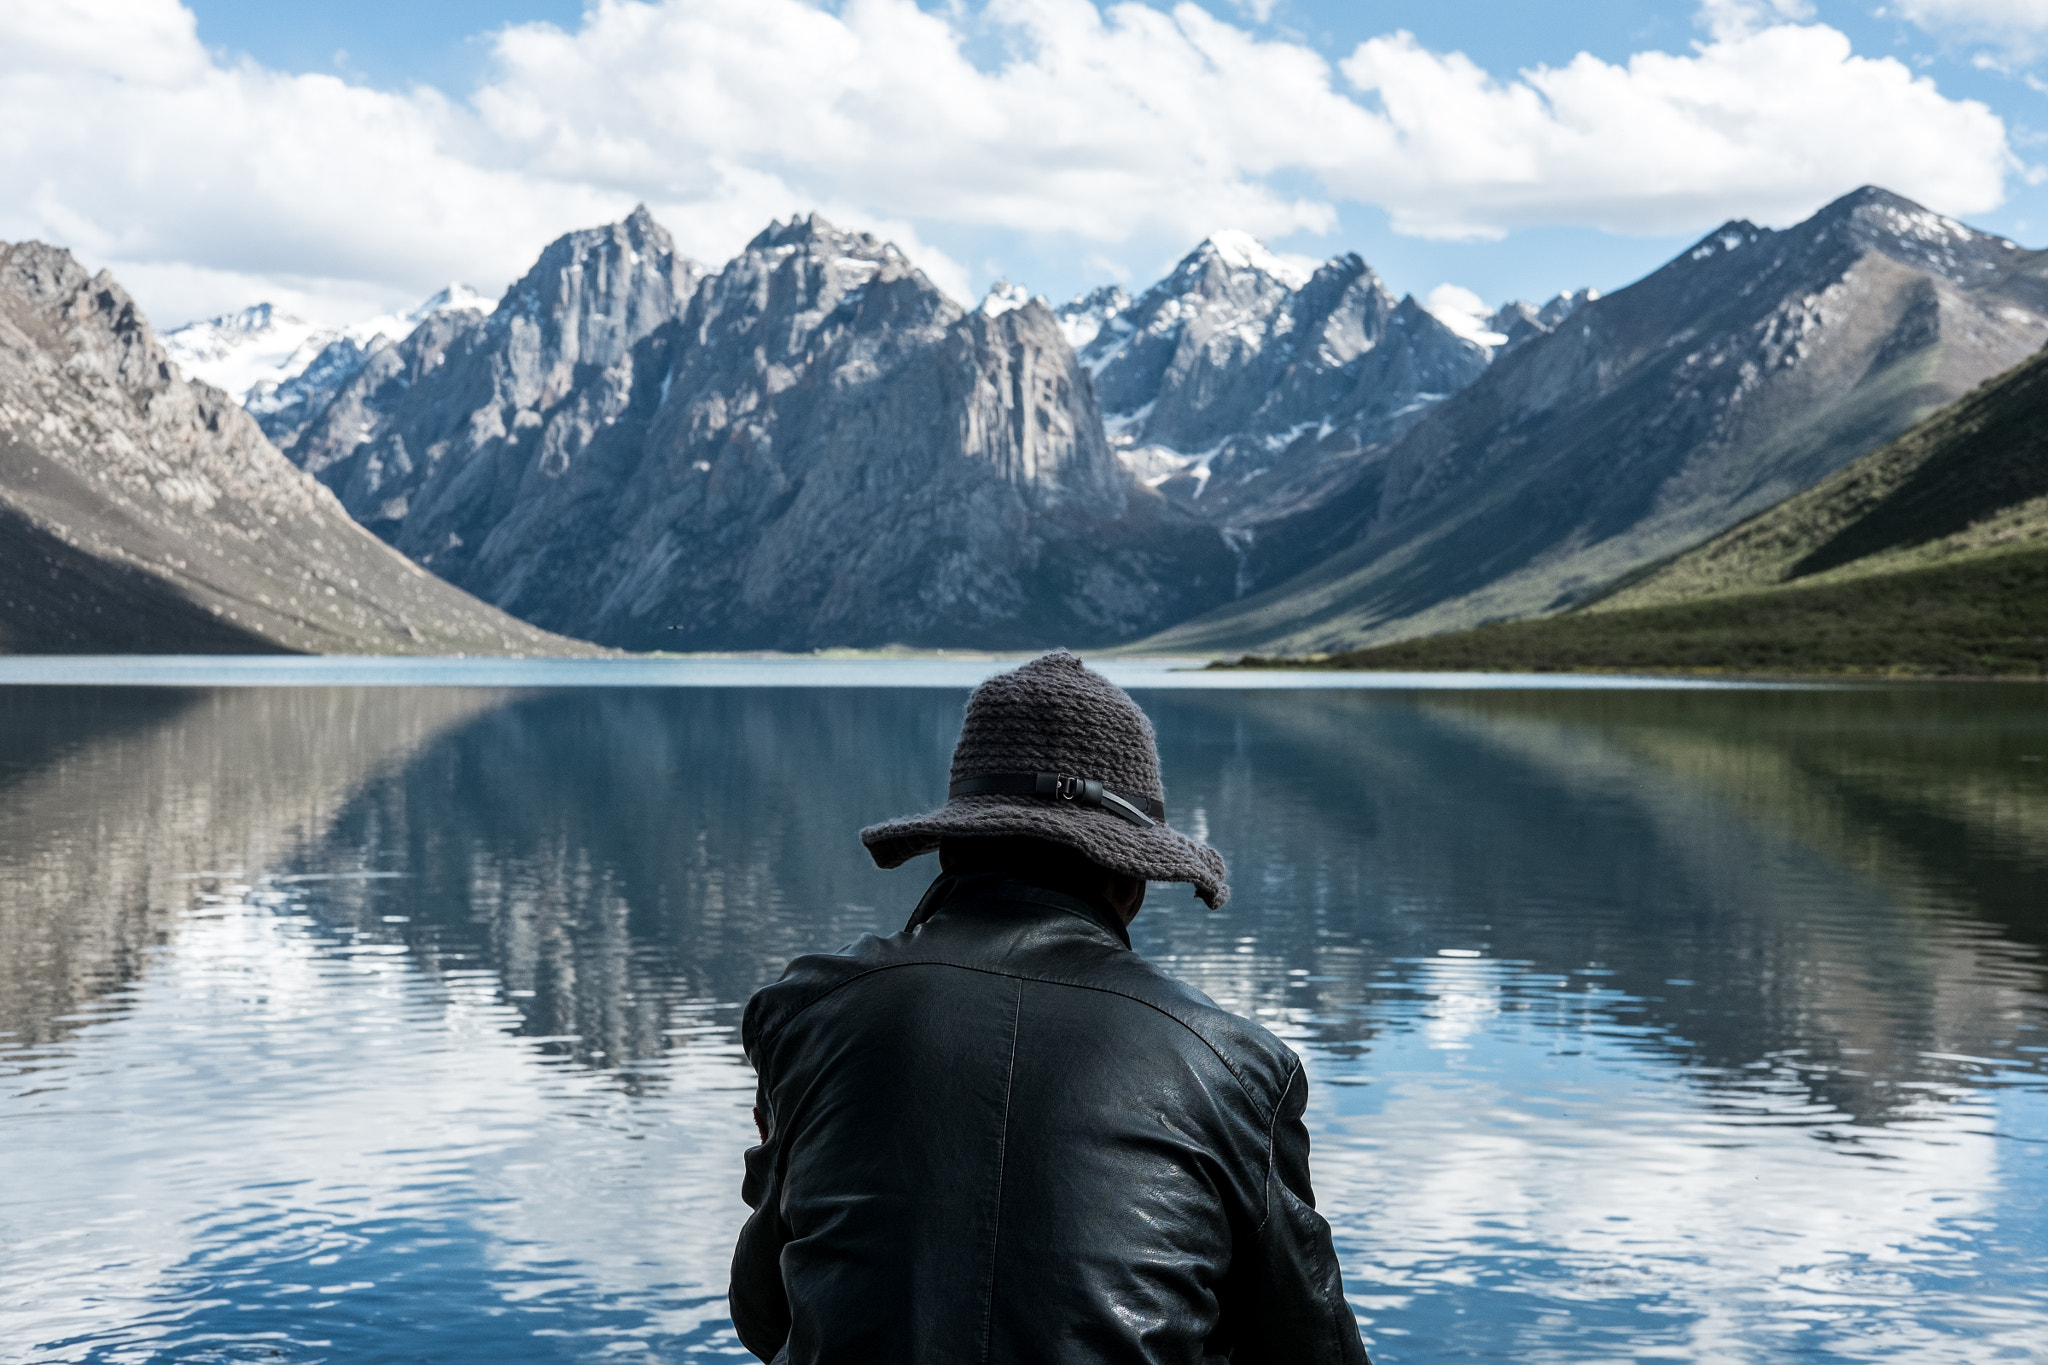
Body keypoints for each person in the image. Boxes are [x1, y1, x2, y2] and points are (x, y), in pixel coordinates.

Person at [729, 651, 1370, 1364]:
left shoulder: (811, 1014)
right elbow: (1314, 1350)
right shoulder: (1234, 1071)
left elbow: (763, 1313)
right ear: (1132, 877)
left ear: (952, 848)